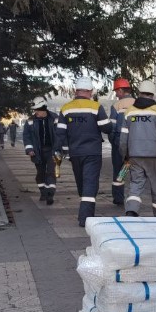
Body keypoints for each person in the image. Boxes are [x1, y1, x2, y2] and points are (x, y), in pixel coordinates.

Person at [55, 77, 112, 226]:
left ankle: (85, 209)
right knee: (90, 183)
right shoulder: (96, 107)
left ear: (76, 91)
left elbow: (60, 133)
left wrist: (59, 151)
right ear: (90, 91)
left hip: (75, 153)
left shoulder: (66, 108)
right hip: (93, 152)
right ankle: (85, 217)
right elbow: (106, 128)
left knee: (82, 182)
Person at [119, 79, 156, 217]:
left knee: (136, 184)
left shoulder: (129, 112)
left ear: (139, 93)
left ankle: (131, 211)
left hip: (134, 155)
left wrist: (125, 156)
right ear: (153, 94)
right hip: (154, 155)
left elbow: (123, 139)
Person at [23, 97, 58, 204]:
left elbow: (61, 134)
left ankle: (50, 194)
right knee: (40, 173)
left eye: (38, 110)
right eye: (35, 110)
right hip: (37, 152)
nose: (36, 112)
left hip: (52, 151)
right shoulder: (30, 121)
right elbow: (26, 136)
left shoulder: (55, 118)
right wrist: (29, 149)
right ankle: (43, 192)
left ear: (44, 108)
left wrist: (62, 148)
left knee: (51, 172)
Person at [109, 78, 135, 205]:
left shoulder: (116, 106)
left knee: (119, 170)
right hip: (135, 142)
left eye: (116, 91)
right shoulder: (137, 103)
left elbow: (112, 127)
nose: (116, 94)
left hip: (119, 142)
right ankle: (134, 196)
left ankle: (118, 198)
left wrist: (113, 141)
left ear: (120, 90)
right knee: (135, 170)